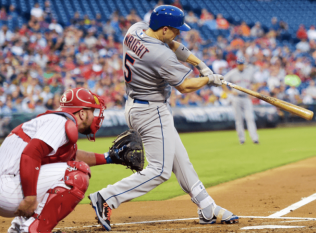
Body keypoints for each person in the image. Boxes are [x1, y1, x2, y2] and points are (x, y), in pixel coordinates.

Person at [89, 5, 238, 231]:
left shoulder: (135, 30)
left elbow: (173, 45)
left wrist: (201, 65)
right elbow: (186, 86)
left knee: (180, 159)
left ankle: (207, 207)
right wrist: (210, 79)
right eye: (176, 29)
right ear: (165, 29)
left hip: (136, 105)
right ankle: (106, 197)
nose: (179, 33)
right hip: (151, 111)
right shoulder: (160, 55)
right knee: (159, 171)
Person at [0, 88, 115, 232]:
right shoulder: (59, 122)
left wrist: (109, 157)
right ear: (83, 113)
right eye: (92, 111)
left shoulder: (54, 121)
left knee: (58, 172)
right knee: (77, 173)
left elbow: (72, 156)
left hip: (7, 186)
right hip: (6, 188)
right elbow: (30, 155)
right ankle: (33, 230)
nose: (95, 117)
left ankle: (19, 229)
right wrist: (30, 198)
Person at [223, 57, 259, 144]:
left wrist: (253, 91)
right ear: (237, 64)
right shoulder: (232, 73)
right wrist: (229, 92)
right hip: (236, 98)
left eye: (242, 64)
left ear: (244, 64)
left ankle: (255, 139)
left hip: (246, 97)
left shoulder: (249, 72)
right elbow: (223, 82)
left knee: (250, 118)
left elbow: (256, 83)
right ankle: (242, 139)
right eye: (239, 64)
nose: (241, 66)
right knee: (239, 119)